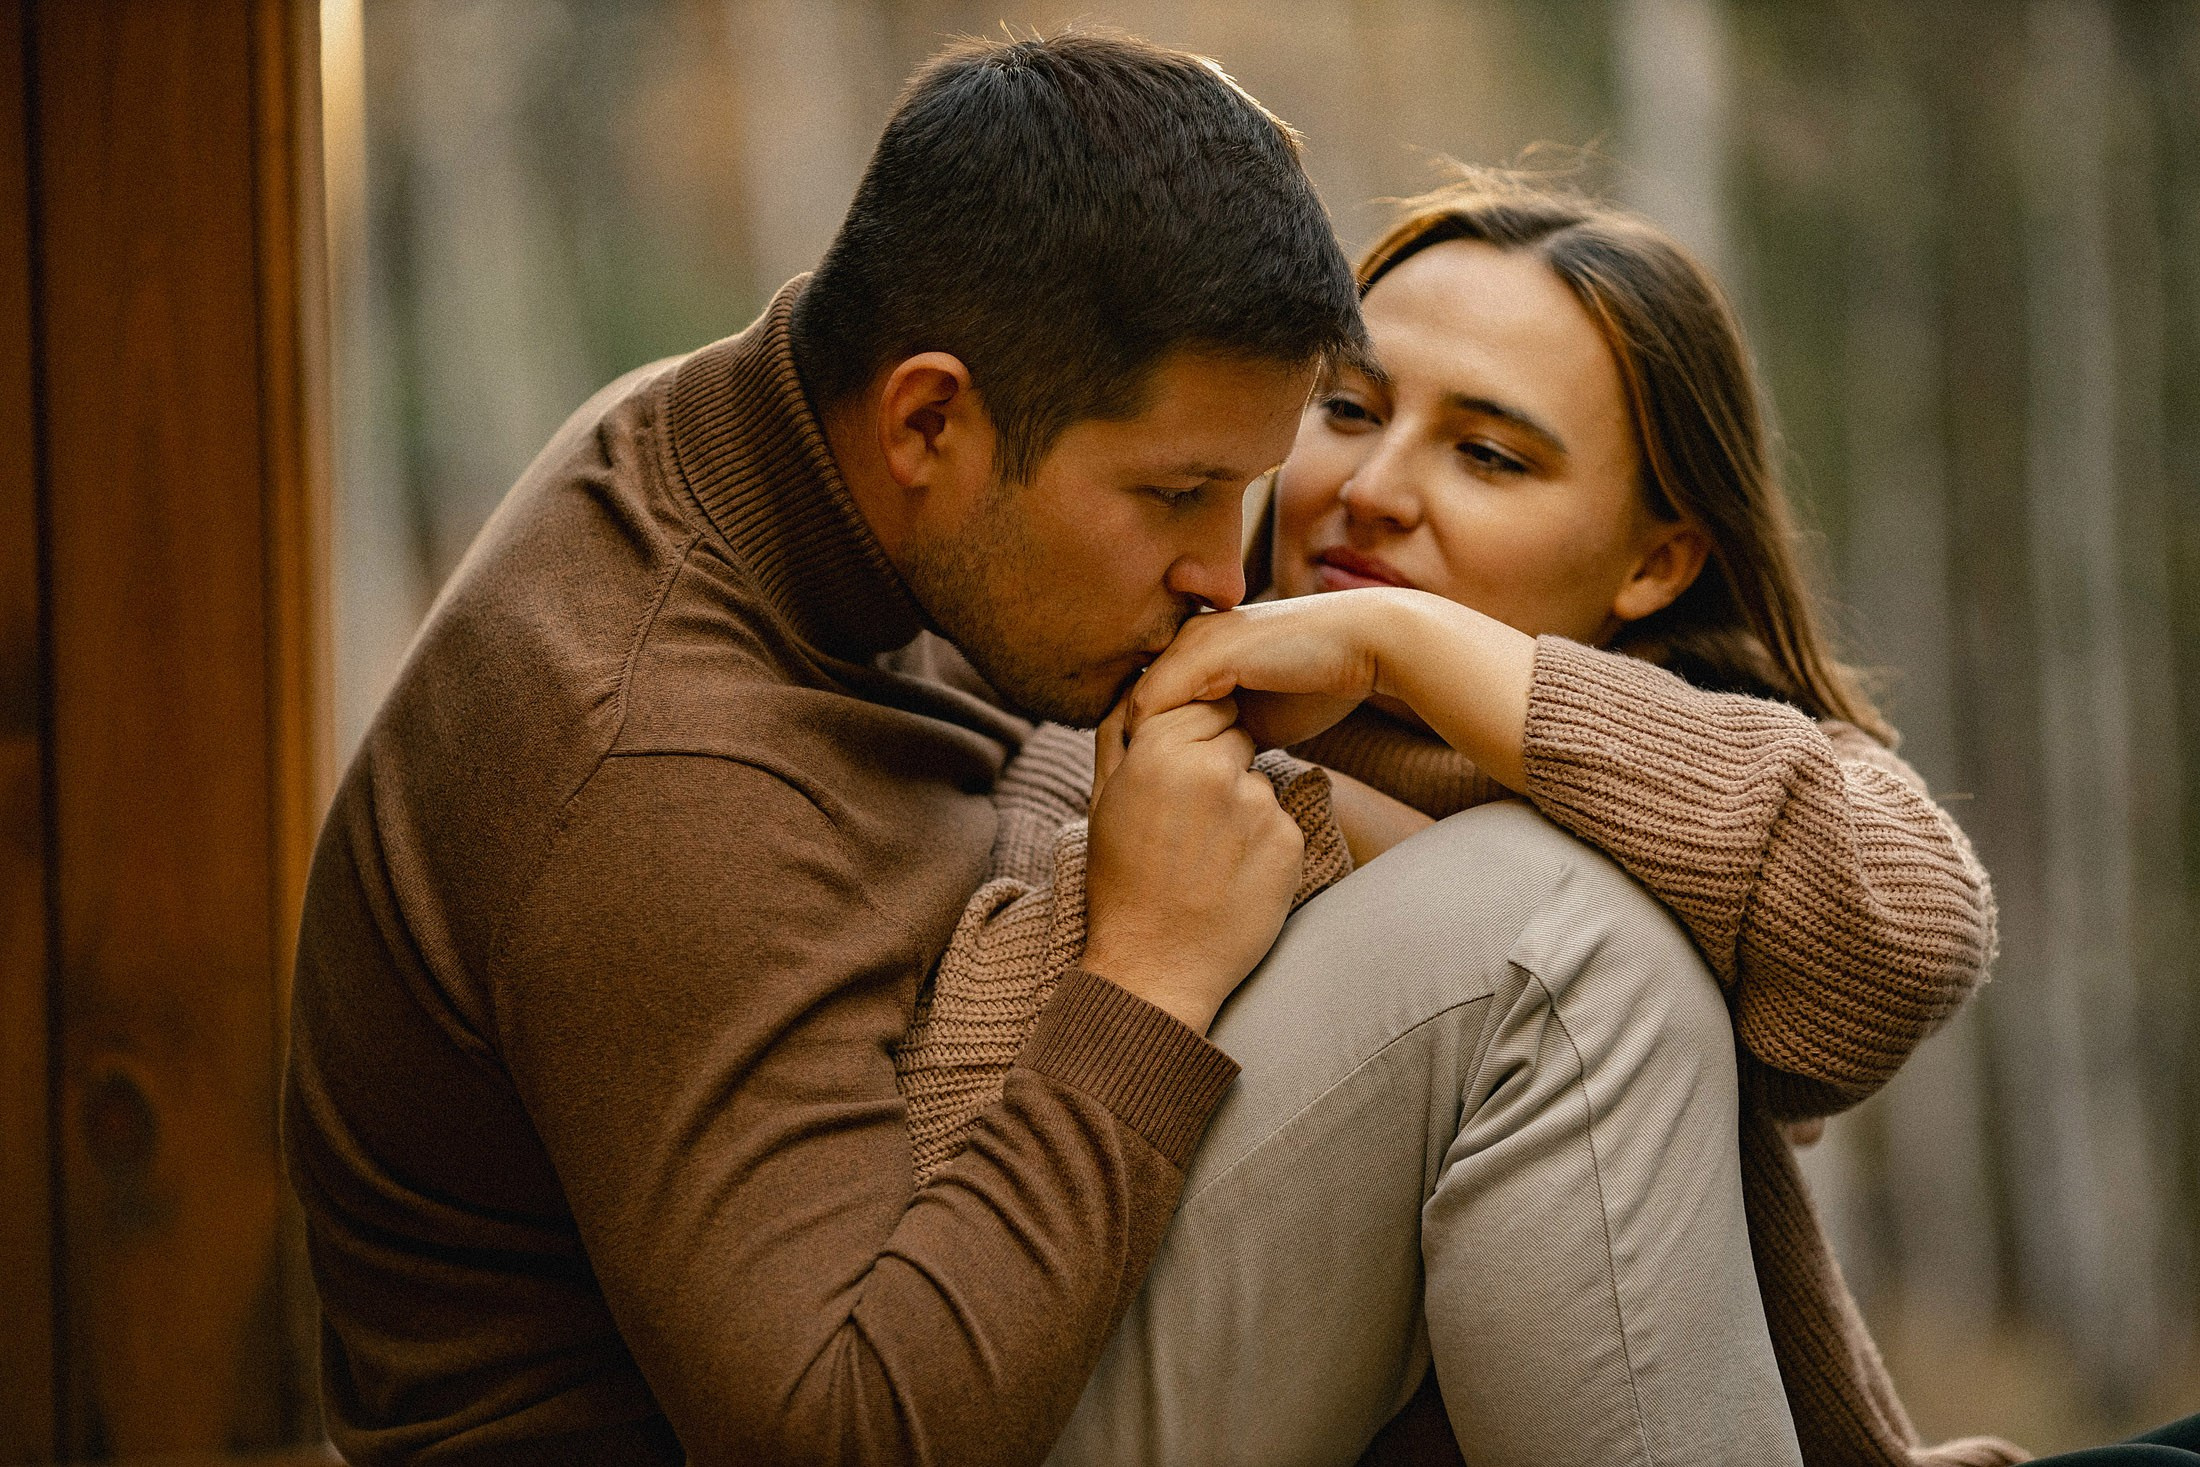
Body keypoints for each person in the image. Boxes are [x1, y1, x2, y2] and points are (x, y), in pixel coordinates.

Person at [283, 33, 1363, 1464]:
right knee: (1513, 976)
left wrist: (1402, 663)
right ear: (929, 418)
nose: (1223, 576)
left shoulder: (784, 454)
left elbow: (965, 777)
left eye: (1239, 497)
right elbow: (845, 1436)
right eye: (1175, 492)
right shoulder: (658, 767)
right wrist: (1150, 973)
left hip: (934, 1269)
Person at [894, 171, 2025, 1466]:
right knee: (1560, 932)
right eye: (1346, 408)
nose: (1370, 487)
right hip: (1099, 1404)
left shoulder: (1676, 745)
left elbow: (1901, 939)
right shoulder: (1125, 704)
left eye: (1487, 455)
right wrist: (1283, 838)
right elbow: (936, 1164)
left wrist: (1396, 640)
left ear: (1656, 563)